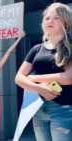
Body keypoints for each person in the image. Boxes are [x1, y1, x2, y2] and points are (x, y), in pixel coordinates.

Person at [15, 3, 72, 141]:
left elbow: (68, 78)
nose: (50, 21)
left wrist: (34, 78)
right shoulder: (36, 49)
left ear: (65, 20)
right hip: (38, 110)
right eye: (47, 18)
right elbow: (18, 78)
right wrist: (38, 88)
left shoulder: (70, 47)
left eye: (56, 18)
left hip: (62, 110)